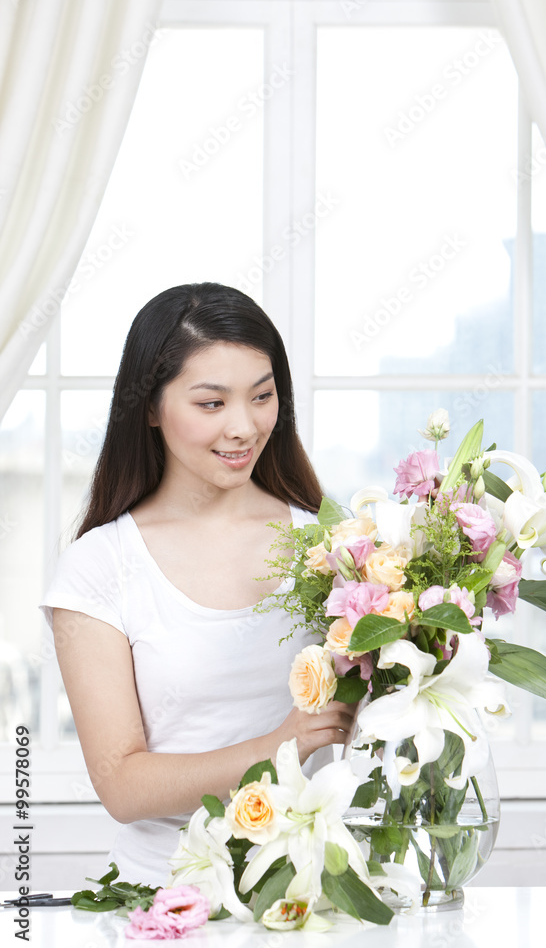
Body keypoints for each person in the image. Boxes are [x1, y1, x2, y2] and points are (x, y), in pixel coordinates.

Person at [40, 283, 356, 886]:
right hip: (164, 897)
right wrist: (280, 745)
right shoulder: (100, 566)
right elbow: (123, 786)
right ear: (151, 407)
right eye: (211, 403)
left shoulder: (331, 545)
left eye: (263, 397)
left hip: (316, 885)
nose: (244, 426)